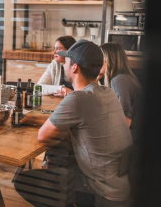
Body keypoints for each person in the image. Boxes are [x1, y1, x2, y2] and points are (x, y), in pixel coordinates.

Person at [37, 40, 133, 206]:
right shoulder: (107, 92)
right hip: (120, 184)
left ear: (74, 67)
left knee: (30, 181)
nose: (64, 64)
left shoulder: (77, 99)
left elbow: (42, 135)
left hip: (101, 190)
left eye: (66, 61)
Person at [99, 42, 142, 141]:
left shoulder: (119, 80)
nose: (95, 61)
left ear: (107, 59)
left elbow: (125, 121)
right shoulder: (126, 77)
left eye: (99, 57)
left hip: (132, 139)